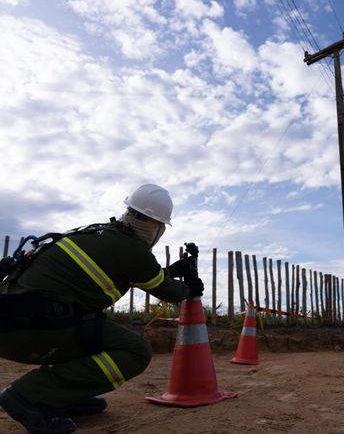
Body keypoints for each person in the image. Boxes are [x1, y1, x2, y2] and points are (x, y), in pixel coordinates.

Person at [0, 184, 203, 434]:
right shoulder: (133, 251)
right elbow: (170, 292)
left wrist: (171, 271)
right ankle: (28, 395)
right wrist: (190, 286)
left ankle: (62, 396)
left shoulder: (100, 233)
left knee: (92, 331)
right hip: (30, 329)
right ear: (158, 226)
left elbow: (136, 273)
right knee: (135, 351)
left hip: (16, 320)